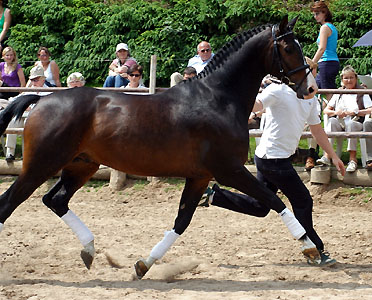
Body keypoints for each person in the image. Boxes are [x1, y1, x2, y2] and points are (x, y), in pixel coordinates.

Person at [199, 81, 346, 266]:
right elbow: (256, 105)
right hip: (272, 158)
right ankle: (315, 250)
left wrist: (333, 156)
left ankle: (211, 196)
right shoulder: (278, 91)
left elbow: (317, 130)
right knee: (303, 201)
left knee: (260, 206)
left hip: (274, 157)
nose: (311, 80)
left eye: (313, 75)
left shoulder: (311, 101)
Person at [317, 65, 372, 173]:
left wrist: (357, 112)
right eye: (346, 78)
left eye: (351, 77)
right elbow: (326, 110)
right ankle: (327, 156)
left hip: (356, 121)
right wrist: (336, 112)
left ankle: (353, 159)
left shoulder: (362, 91)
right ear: (342, 79)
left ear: (356, 78)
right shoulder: (339, 92)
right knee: (332, 121)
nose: (349, 80)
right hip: (341, 121)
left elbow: (370, 109)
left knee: (351, 124)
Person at [5, 65, 52, 161]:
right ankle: (10, 153)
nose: (33, 82)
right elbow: (14, 100)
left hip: (37, 120)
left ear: (43, 79)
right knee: (12, 122)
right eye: (32, 80)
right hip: (22, 116)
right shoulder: (28, 91)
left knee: (28, 124)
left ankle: (25, 153)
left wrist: (30, 108)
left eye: (36, 79)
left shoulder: (49, 93)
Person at [311, 1, 339, 101]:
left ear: (325, 13)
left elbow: (322, 48)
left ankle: (333, 114)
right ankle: (320, 114)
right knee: (315, 89)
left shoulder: (324, 28)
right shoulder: (332, 27)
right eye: (314, 14)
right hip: (330, 63)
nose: (315, 16)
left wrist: (312, 63)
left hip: (327, 62)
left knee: (328, 93)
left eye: (317, 13)